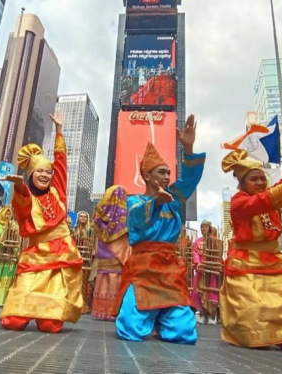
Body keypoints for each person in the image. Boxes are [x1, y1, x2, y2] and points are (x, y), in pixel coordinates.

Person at [219, 138, 282, 351]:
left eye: (262, 179)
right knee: (256, 337)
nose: (259, 183)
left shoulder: (268, 196)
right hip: (245, 272)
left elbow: (281, 185)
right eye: (254, 179)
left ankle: (281, 332)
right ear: (241, 183)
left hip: (274, 269)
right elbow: (268, 199)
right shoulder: (239, 203)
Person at [114, 114, 205, 345]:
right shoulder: (134, 201)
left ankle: (162, 319)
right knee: (130, 330)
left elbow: (190, 181)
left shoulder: (173, 199)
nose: (167, 176)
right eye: (161, 172)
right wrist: (155, 203)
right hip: (143, 269)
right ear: (146, 175)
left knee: (184, 333)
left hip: (169, 270)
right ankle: (151, 317)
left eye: (168, 173)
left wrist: (189, 148)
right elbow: (137, 219)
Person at [0, 113, 83, 333]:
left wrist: (59, 131)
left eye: (48, 172)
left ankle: (47, 313)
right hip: (35, 254)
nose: (45, 175)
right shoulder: (27, 196)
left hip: (61, 253)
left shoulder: (58, 192)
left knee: (50, 324)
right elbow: (23, 204)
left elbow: (62, 163)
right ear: (31, 174)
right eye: (40, 172)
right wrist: (18, 188)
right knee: (13, 322)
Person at [91, 185, 131, 321]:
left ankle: (102, 311)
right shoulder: (124, 216)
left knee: (103, 277)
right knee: (116, 278)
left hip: (103, 253)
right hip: (118, 256)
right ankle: (116, 311)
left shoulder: (100, 217)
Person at [192, 221, 222, 325]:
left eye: (205, 227)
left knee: (211, 293)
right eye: (201, 227)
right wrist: (198, 264)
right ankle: (202, 315)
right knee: (199, 292)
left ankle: (211, 315)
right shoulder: (197, 241)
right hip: (201, 270)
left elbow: (219, 254)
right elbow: (195, 253)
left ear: (209, 228)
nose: (203, 229)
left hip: (212, 271)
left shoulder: (215, 241)